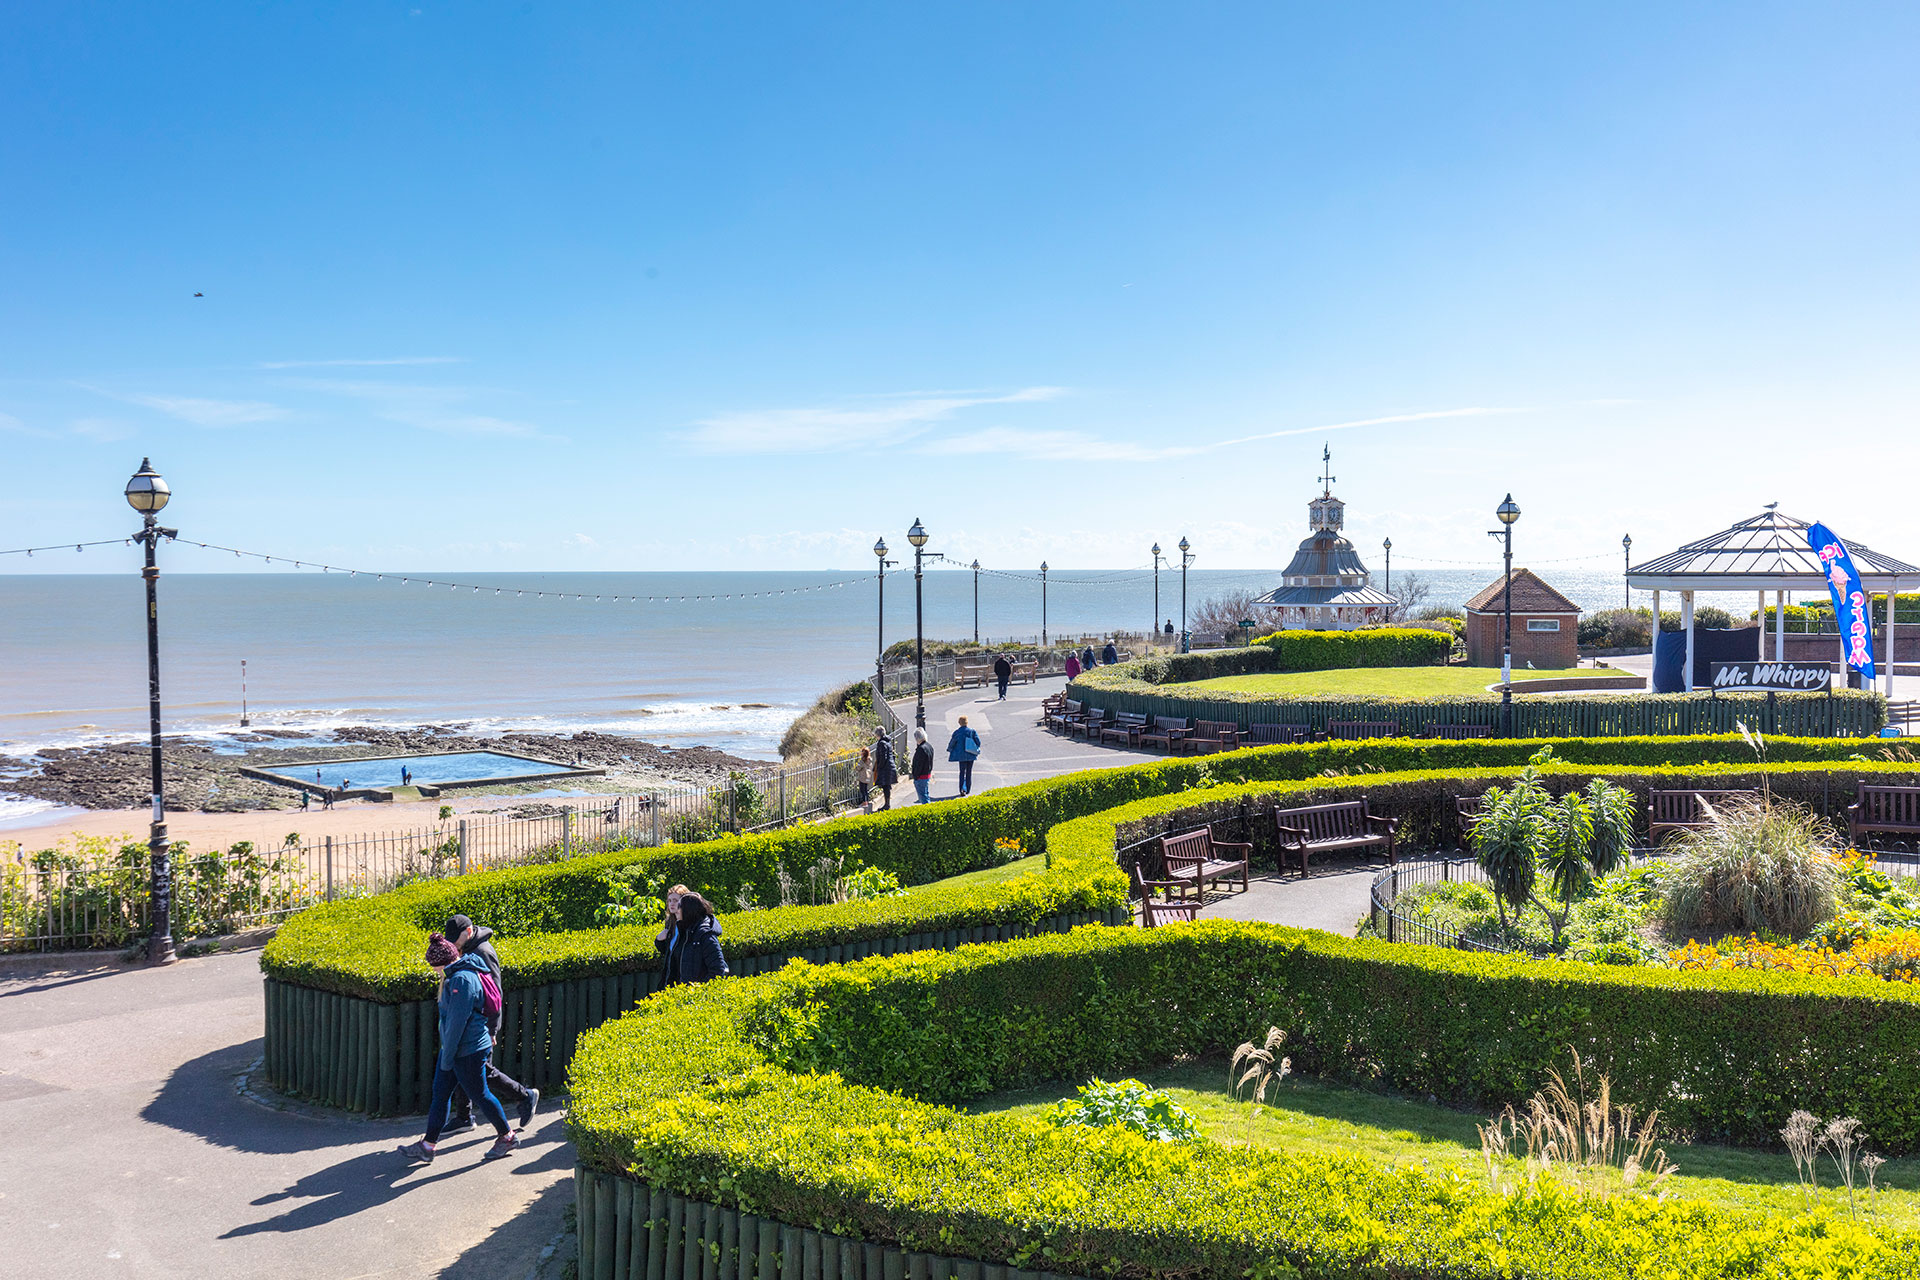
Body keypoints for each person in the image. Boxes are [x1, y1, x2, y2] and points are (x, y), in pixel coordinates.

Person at [398, 932, 516, 1164]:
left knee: (480, 1094)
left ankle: (507, 1136)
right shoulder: (458, 974)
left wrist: (447, 1057)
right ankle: (428, 1146)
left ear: (443, 962)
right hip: (457, 1049)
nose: (433, 970)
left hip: (467, 1050)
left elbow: (456, 1024)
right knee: (441, 1094)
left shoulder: (461, 980)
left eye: (434, 965)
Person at [441, 914, 539, 1136]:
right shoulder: (468, 948)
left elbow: (495, 994)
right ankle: (464, 1117)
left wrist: (492, 1029)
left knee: (481, 1072)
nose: (453, 946)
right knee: (467, 1067)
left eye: (455, 941)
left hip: (482, 1025)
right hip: (473, 1023)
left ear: (467, 933)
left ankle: (524, 1096)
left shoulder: (483, 952)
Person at [656, 888, 728, 985]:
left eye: (679, 906)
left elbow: (718, 970)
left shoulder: (705, 935)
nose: (676, 910)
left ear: (688, 910)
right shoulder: (684, 930)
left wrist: (696, 990)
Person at [946, 716, 981, 797]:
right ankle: (967, 789)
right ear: (967, 722)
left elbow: (952, 742)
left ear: (959, 723)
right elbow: (978, 742)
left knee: (962, 772)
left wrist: (949, 749)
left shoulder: (957, 732)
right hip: (971, 754)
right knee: (969, 772)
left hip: (961, 755)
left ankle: (962, 788)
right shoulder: (972, 731)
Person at [871, 727, 898, 810]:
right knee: (887, 786)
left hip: (885, 768)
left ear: (877, 734)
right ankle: (887, 804)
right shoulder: (887, 742)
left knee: (885, 786)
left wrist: (879, 767)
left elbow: (883, 757)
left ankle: (887, 805)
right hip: (889, 766)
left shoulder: (881, 743)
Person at [910, 727, 934, 804]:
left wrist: (915, 776)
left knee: (923, 797)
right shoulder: (929, 746)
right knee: (925, 794)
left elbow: (918, 765)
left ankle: (928, 813)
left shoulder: (921, 749)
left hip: (921, 776)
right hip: (927, 774)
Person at [857, 746, 874, 812]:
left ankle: (864, 802)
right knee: (865, 790)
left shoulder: (863, 760)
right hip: (868, 777)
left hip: (863, 777)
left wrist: (857, 767)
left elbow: (858, 767)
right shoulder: (870, 760)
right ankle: (866, 801)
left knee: (862, 789)